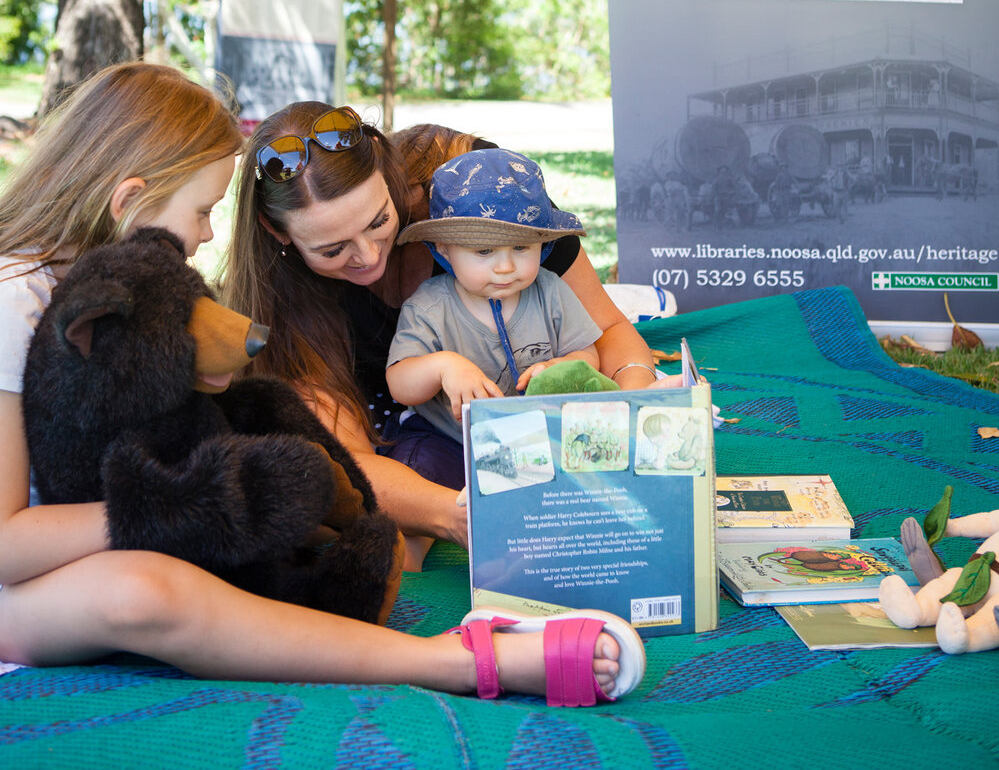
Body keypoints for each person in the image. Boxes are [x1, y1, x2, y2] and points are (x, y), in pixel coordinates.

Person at [0, 65, 639, 702]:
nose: (207, 234)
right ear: (128, 201)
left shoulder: (473, 199)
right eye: (201, 211)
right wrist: (195, 506)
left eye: (378, 223)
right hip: (45, 577)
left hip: (114, 537)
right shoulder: (16, 301)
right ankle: (460, 662)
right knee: (143, 592)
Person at [223, 105, 665, 561]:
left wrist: (629, 416)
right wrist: (461, 517)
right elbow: (350, 464)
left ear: (387, 173)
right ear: (278, 232)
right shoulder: (286, 307)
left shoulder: (487, 195)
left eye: (378, 222)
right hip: (425, 443)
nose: (369, 256)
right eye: (333, 249)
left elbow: (609, 330)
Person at [384, 148, 603, 488]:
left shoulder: (550, 291)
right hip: (451, 440)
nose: (505, 266)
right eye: (484, 251)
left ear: (542, 245)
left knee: (587, 454)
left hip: (536, 437)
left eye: (521, 248)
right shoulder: (429, 306)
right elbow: (399, 385)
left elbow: (587, 354)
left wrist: (560, 367)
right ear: (443, 248)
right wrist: (443, 366)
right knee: (417, 464)